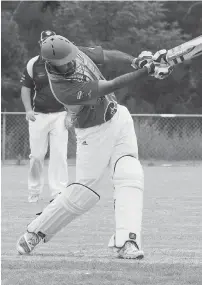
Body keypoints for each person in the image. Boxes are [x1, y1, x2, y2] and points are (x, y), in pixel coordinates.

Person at [17, 35, 173, 259]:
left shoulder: (72, 51)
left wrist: (137, 61)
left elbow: (108, 55)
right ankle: (35, 232)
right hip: (93, 133)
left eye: (72, 56)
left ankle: (127, 241)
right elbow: (110, 85)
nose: (72, 61)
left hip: (118, 117)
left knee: (130, 174)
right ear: (52, 64)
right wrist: (147, 71)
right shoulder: (63, 88)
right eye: (66, 61)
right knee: (84, 194)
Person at [20, 31, 69, 208]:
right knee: (36, 156)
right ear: (41, 44)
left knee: (59, 155)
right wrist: (27, 110)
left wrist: (70, 114)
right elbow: (25, 88)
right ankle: (34, 192)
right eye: (45, 42)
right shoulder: (33, 64)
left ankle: (59, 193)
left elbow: (71, 90)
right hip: (38, 115)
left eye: (51, 41)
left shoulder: (64, 62)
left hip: (60, 114)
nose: (48, 45)